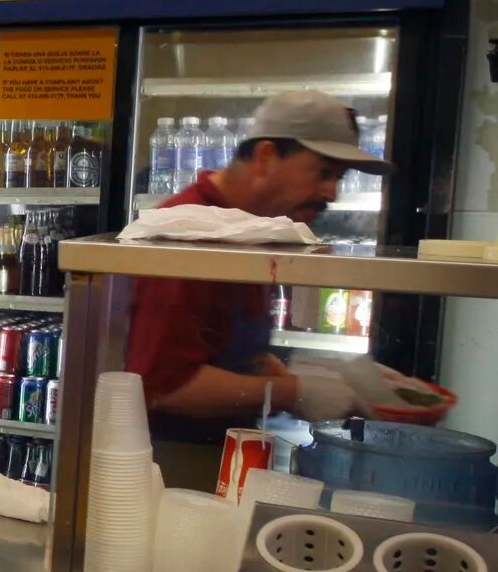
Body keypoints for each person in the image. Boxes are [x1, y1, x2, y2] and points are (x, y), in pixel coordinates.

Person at [127, 90, 393, 430]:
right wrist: (292, 392)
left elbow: (218, 344)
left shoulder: (248, 228)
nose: (332, 194)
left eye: (338, 179)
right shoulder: (189, 233)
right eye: (323, 173)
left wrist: (294, 372)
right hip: (166, 458)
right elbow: (162, 387)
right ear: (266, 156)